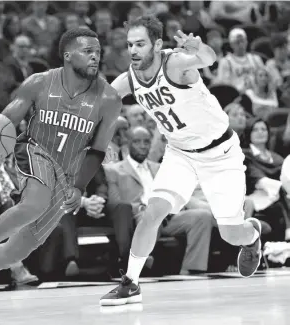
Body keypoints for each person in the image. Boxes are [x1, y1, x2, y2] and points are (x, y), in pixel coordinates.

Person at [0, 28, 122, 313]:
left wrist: (79, 186)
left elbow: (98, 150)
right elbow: (9, 119)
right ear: (67, 55)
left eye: (98, 52)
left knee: (19, 249)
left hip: (66, 172)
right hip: (33, 150)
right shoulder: (39, 82)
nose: (95, 57)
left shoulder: (109, 99)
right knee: (34, 202)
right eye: (88, 51)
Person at [99, 15, 262, 306]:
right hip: (179, 154)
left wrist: (199, 49)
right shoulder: (129, 79)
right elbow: (103, 101)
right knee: (153, 212)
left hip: (220, 153)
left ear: (157, 44)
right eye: (129, 45)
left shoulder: (174, 63)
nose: (133, 50)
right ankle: (130, 283)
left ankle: (251, 236)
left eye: (140, 44)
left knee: (229, 233)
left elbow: (209, 59)